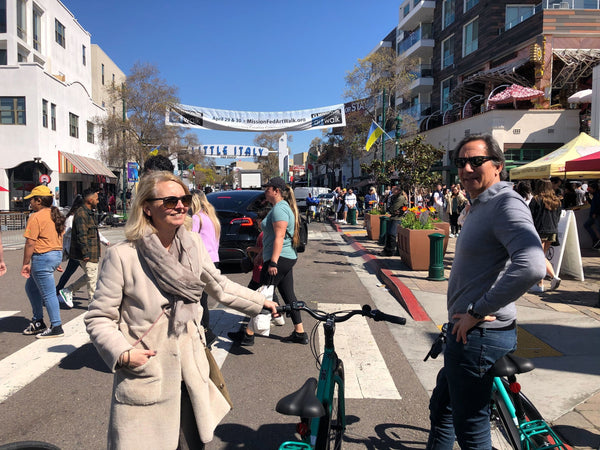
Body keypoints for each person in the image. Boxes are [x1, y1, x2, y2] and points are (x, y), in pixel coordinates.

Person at [84, 171, 279, 449]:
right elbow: (99, 317)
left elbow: (220, 287)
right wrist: (123, 353)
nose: (180, 205)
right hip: (149, 373)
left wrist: (260, 302)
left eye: (184, 199)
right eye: (170, 200)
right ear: (146, 208)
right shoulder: (123, 255)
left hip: (190, 373)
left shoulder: (192, 245)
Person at [426, 135, 546, 449]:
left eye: (476, 161)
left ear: (498, 165)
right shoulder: (481, 204)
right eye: (460, 163)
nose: (466, 168)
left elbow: (532, 264)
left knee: (472, 431)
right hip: (467, 332)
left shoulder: (504, 203)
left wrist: (478, 310)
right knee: (443, 409)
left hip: (477, 335)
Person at [231, 176, 307, 345]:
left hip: (279, 258)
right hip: (285, 257)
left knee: (261, 294)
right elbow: (271, 238)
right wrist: (261, 254)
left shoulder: (280, 209)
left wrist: (272, 262)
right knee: (289, 295)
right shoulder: (280, 207)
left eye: (267, 189)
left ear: (276, 191)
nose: (265, 191)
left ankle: (248, 334)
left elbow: (279, 238)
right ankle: (300, 332)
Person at [21, 185, 67, 338]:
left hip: (42, 257)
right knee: (32, 288)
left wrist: (26, 263)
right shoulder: (56, 215)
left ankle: (56, 326)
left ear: (39, 201)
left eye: (32, 200)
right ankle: (38, 320)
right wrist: (57, 258)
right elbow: (59, 238)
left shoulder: (36, 217)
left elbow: (30, 243)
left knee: (48, 294)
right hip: (54, 255)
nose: (30, 203)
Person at [55, 195, 109, 308]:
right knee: (89, 276)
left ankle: (65, 290)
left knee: (90, 276)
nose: (98, 201)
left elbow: (92, 231)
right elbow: (79, 234)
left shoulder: (86, 215)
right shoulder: (76, 217)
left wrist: (104, 240)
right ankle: (90, 303)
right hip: (77, 250)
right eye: (96, 198)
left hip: (80, 250)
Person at [187, 189, 221, 347]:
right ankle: (207, 331)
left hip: (202, 261)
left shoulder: (196, 217)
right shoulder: (211, 217)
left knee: (199, 301)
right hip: (214, 260)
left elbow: (191, 241)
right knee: (204, 299)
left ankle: (206, 333)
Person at [528, 179, 562, 292]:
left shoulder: (537, 199)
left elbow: (530, 215)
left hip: (540, 230)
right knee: (542, 256)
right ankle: (550, 279)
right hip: (552, 230)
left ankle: (543, 282)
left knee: (539, 257)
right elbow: (558, 216)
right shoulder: (556, 200)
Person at [381, 186, 408, 256]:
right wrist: (391, 210)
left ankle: (391, 251)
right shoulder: (393, 197)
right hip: (393, 217)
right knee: (389, 234)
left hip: (398, 218)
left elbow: (394, 207)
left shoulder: (400, 198)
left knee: (392, 234)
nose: (392, 191)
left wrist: (392, 210)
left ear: (398, 190)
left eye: (394, 190)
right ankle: (387, 249)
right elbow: (389, 207)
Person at [584, 182, 600, 249]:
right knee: (587, 225)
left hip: (596, 215)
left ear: (594, 189)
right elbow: (594, 203)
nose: (589, 190)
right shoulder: (595, 195)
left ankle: (596, 240)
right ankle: (596, 240)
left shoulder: (598, 195)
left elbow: (599, 205)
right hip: (594, 214)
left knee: (598, 228)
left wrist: (595, 213)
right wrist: (588, 198)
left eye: (590, 188)